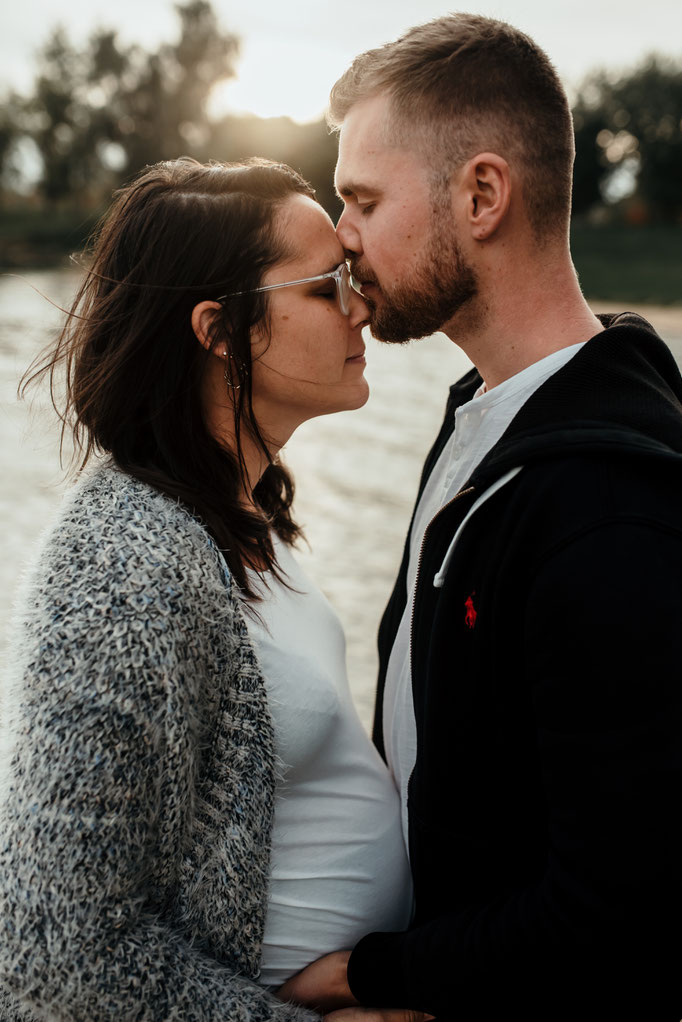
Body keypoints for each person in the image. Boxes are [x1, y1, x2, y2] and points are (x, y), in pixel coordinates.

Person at [278, 14, 682, 1021]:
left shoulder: (610, 507)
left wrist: (376, 974)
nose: (343, 236)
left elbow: (620, 906)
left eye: (363, 200)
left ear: (482, 193)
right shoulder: (477, 414)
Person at [0, 157, 414, 1021]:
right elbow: (55, 953)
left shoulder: (244, 517)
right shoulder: (125, 565)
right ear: (219, 330)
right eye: (325, 286)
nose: (361, 306)